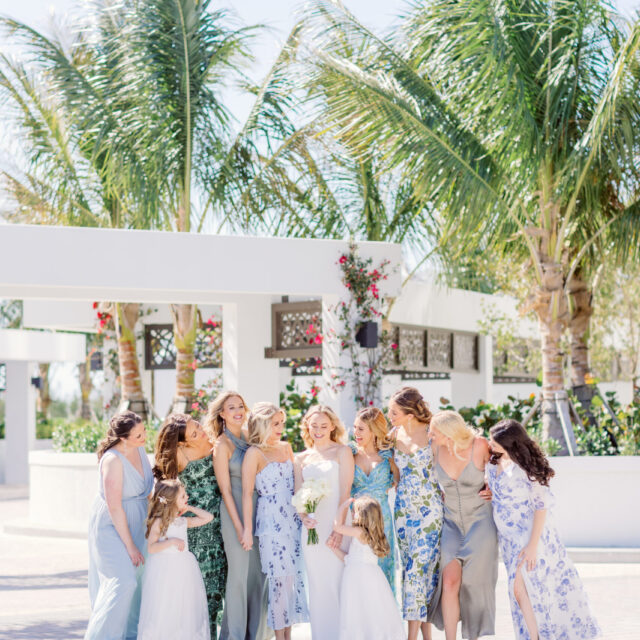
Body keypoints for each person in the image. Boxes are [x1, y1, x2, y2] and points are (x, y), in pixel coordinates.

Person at [487, 419, 601, 640]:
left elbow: (542, 507)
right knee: (525, 593)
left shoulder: (528, 468)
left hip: (531, 538)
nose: (490, 444)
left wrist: (532, 546)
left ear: (510, 444)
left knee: (521, 589)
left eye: (494, 441)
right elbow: (501, 492)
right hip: (509, 541)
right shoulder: (495, 461)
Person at [153, 413, 227, 639]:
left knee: (220, 589)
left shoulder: (216, 442)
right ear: (184, 442)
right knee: (200, 593)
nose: (202, 432)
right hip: (195, 530)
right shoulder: (179, 454)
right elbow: (161, 492)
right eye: (195, 433)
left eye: (199, 426)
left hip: (220, 525)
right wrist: (171, 512)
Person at [241, 402, 308, 640]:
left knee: (291, 581)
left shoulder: (286, 447)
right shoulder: (253, 453)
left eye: (282, 422)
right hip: (271, 524)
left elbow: (297, 484)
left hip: (293, 520)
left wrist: (304, 513)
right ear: (262, 424)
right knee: (279, 583)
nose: (281, 427)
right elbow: (247, 493)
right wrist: (248, 530)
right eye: (276, 423)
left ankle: (287, 636)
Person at [428, 410, 498, 640]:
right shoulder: (436, 449)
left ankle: (474, 636)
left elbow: (500, 469)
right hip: (451, 523)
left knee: (475, 584)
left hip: (480, 520)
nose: (430, 435)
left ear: (448, 433)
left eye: (434, 431)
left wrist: (490, 486)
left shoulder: (479, 445)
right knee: (449, 582)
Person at [85, 411, 153, 640]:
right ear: (123, 438)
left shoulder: (140, 449)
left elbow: (145, 491)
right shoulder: (113, 460)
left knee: (138, 586)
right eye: (138, 435)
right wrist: (131, 546)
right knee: (123, 582)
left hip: (138, 520)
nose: (144, 437)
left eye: (144, 431)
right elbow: (115, 507)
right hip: (112, 526)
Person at [209, 391, 268, 640]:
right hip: (234, 514)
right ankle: (234, 636)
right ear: (221, 413)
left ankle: (256, 634)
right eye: (231, 407)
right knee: (238, 577)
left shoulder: (251, 436)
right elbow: (225, 491)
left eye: (240, 406)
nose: (237, 411)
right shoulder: (221, 445)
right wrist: (240, 527)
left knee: (258, 575)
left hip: (258, 511)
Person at [294, 404, 354, 640]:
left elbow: (345, 492)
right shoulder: (301, 458)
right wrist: (303, 517)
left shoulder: (342, 452)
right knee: (318, 586)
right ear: (307, 426)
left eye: (323, 425)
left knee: (340, 581)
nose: (318, 430)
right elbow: (299, 495)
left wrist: (339, 528)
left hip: (337, 521)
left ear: (332, 427)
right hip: (312, 530)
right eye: (314, 425)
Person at [388, 386, 443, 640]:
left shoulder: (434, 433)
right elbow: (395, 477)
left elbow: (451, 466)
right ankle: (426, 637)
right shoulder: (393, 435)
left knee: (418, 571)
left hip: (429, 513)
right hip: (402, 513)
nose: (390, 415)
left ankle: (411, 637)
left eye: (394, 411)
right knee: (410, 572)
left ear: (410, 413)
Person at [138, 479, 212, 639]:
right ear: (171, 501)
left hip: (183, 570)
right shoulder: (159, 522)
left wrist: (189, 508)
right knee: (166, 606)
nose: (187, 497)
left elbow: (208, 517)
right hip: (165, 570)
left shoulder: (182, 521)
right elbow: (152, 548)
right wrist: (171, 542)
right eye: (183, 496)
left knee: (182, 606)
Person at [331, 497, 404, 640]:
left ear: (362, 515)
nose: (352, 514)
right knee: (371, 611)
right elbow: (350, 559)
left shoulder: (359, 532)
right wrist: (334, 549)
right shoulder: (372, 534)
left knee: (358, 612)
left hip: (357, 578)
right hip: (370, 576)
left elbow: (337, 527)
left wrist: (343, 506)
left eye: (354, 511)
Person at [349, 406, 398, 592]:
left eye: (361, 429)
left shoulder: (388, 457)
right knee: (360, 572)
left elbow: (399, 482)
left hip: (382, 520)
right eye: (354, 427)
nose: (355, 433)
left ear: (374, 430)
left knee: (383, 570)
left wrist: (392, 463)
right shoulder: (350, 453)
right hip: (357, 519)